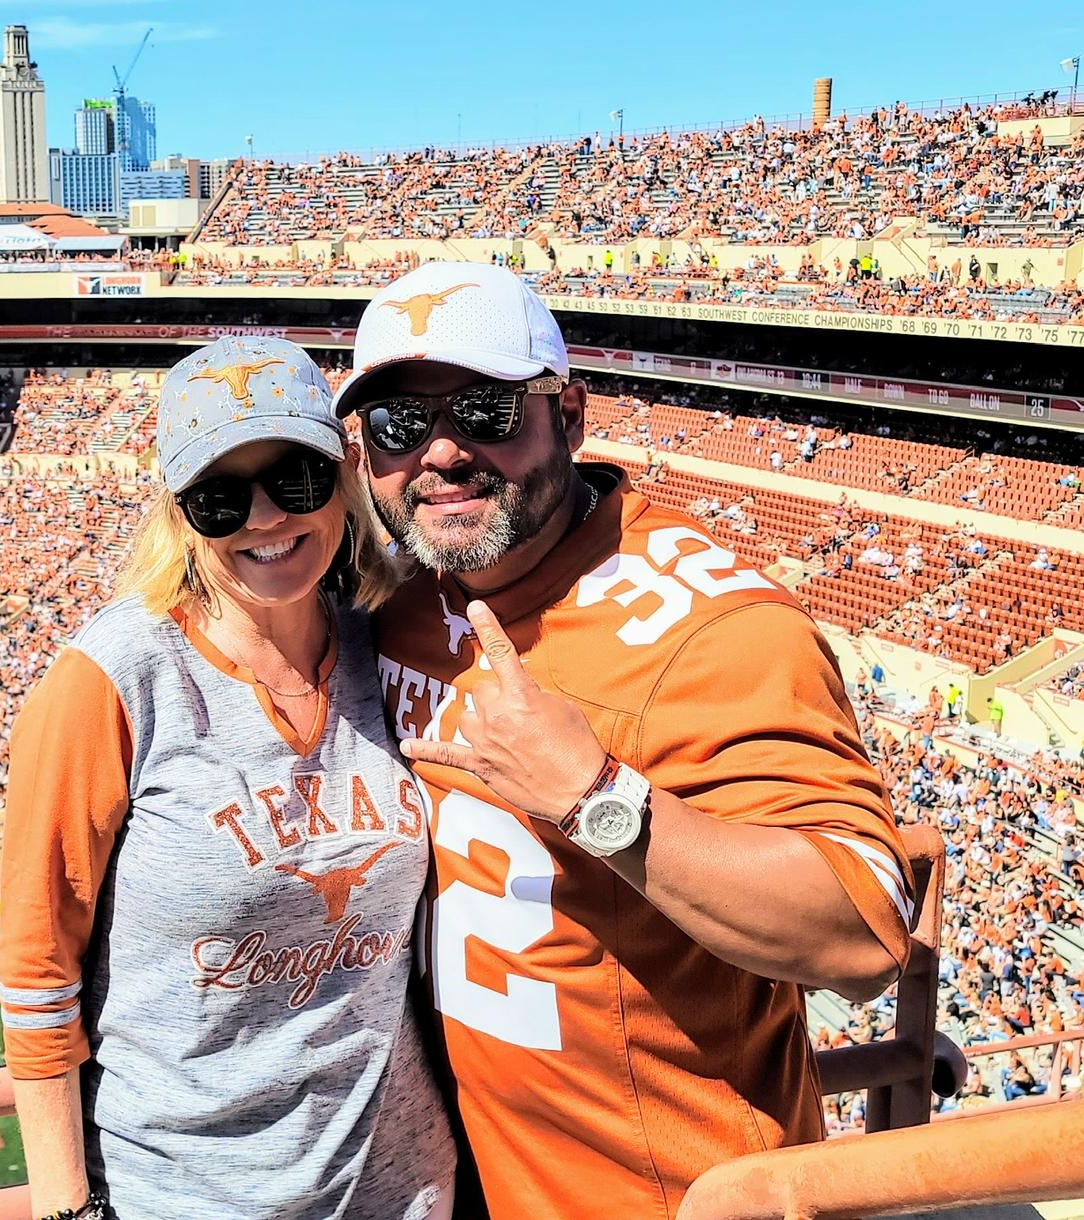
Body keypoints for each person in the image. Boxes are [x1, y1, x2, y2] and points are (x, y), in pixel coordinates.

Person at [332, 262, 915, 1219]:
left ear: (569, 414)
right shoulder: (405, 589)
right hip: (476, 1180)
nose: (439, 453)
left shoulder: (716, 631)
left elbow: (860, 930)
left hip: (674, 1193)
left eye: (485, 410)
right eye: (400, 424)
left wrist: (599, 798)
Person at [0, 338, 454, 1220]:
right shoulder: (114, 680)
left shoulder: (391, 642)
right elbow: (37, 960)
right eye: (218, 498)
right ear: (177, 512)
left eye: (294, 479)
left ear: (345, 469)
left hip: (402, 1184)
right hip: (184, 1191)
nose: (264, 519)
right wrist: (66, 1208)